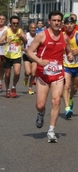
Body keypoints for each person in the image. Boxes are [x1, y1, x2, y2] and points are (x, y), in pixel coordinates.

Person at [26, 11, 73, 143]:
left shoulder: (64, 38)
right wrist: (39, 61)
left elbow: (69, 52)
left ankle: (51, 131)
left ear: (61, 22)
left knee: (56, 101)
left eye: (59, 21)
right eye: (54, 20)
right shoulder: (42, 35)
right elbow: (29, 52)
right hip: (43, 74)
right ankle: (41, 114)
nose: (57, 23)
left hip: (58, 73)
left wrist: (70, 56)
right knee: (40, 105)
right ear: (49, 21)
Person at [0, 16, 27, 98]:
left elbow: (26, 41)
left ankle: (13, 87)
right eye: (13, 23)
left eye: (17, 23)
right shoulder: (7, 31)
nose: (15, 25)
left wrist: (22, 37)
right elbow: (0, 41)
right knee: (7, 74)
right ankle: (7, 89)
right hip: (8, 55)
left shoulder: (20, 31)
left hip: (17, 55)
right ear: (10, 23)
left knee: (17, 72)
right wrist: (5, 41)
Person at [23, 22, 37, 95]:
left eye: (34, 28)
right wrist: (27, 51)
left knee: (33, 73)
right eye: (31, 28)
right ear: (29, 28)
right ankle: (26, 77)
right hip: (27, 55)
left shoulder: (38, 36)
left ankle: (30, 88)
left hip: (35, 56)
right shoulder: (26, 35)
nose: (33, 29)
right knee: (28, 72)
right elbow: (21, 46)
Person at [0, 15, 8, 92]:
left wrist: (4, 42)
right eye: (0, 19)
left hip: (4, 52)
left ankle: (1, 82)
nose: (1, 20)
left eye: (3, 19)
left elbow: (9, 40)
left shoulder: (7, 29)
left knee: (2, 68)